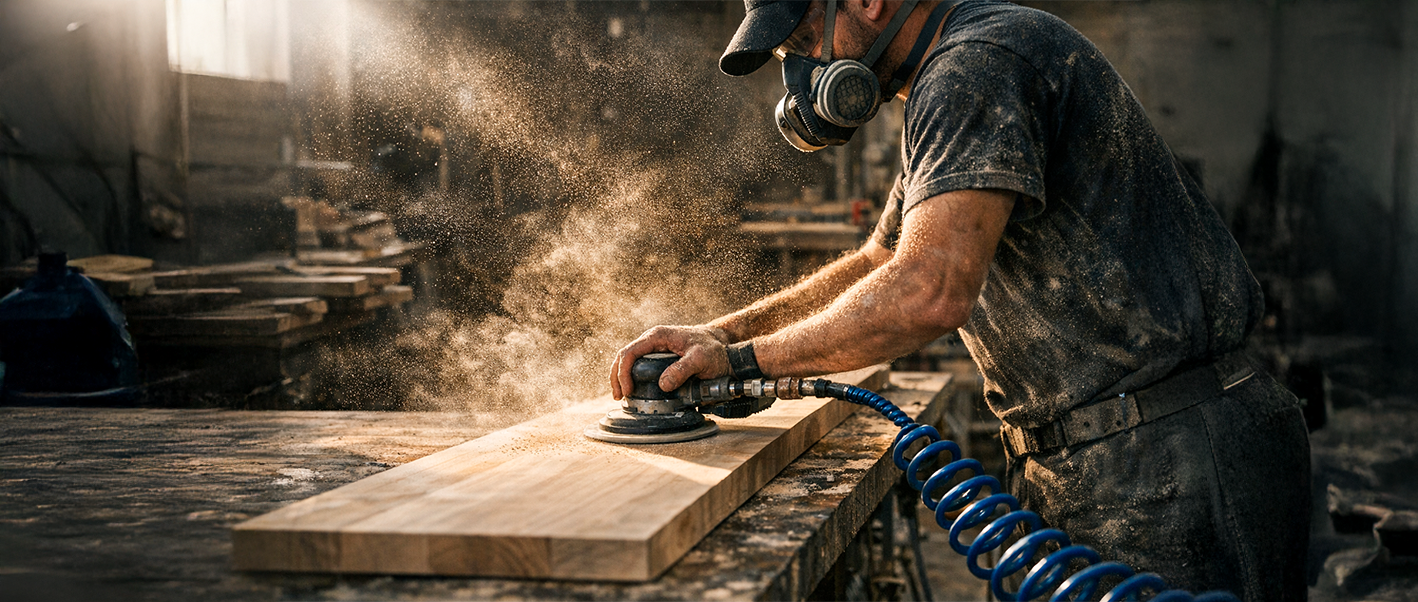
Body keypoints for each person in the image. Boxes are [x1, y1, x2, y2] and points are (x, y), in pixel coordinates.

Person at [609, 0, 1310, 598]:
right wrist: (714, 336)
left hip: (1171, 459)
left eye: (800, 42)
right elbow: (881, 261)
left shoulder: (976, 66)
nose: (801, 74)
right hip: (1112, 453)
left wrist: (741, 360)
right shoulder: (946, 81)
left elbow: (928, 290)